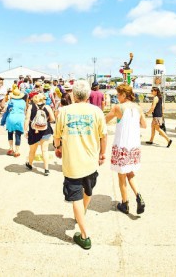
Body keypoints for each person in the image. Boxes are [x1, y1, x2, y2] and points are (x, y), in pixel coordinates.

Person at [53, 80, 108, 250]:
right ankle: (81, 214)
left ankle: (84, 236)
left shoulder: (64, 111)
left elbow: (57, 136)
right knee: (88, 190)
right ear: (89, 95)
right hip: (91, 161)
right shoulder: (97, 112)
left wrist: (58, 147)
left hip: (72, 163)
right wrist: (102, 153)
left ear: (73, 95)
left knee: (75, 196)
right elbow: (103, 136)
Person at [105, 84, 147, 214]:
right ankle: (139, 196)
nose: (117, 97)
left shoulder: (118, 107)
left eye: (118, 94)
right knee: (130, 173)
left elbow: (104, 120)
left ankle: (125, 203)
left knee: (121, 176)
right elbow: (144, 125)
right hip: (134, 146)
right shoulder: (138, 108)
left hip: (122, 145)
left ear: (124, 95)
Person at [24, 93, 55, 176]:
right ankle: (46, 169)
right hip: (45, 131)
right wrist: (46, 120)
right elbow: (53, 119)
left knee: (32, 150)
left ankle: (30, 165)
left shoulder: (31, 106)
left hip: (33, 131)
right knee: (45, 150)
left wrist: (25, 130)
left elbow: (27, 119)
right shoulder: (47, 107)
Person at [4, 88, 26, 157]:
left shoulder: (10, 101)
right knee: (18, 134)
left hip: (11, 118)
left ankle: (11, 149)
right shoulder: (23, 101)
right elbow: (25, 111)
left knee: (10, 133)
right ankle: (17, 151)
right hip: (20, 118)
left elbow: (5, 109)